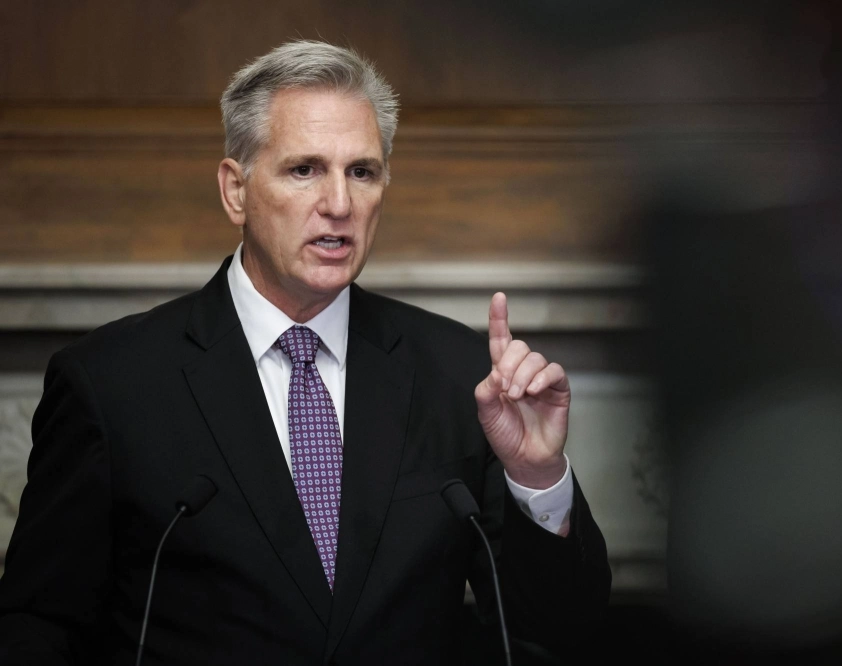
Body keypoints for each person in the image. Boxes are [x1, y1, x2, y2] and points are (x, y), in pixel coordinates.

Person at [0, 40, 610, 665]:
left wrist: (538, 479)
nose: (340, 205)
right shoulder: (111, 384)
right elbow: (39, 626)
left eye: (362, 172)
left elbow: (555, 635)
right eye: (305, 169)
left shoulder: (461, 375)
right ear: (235, 190)